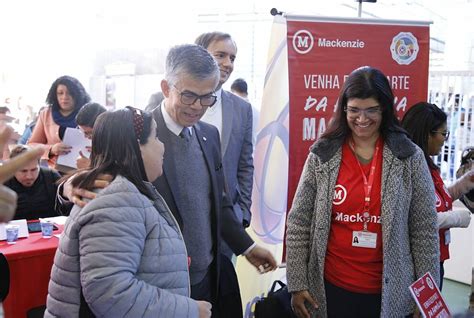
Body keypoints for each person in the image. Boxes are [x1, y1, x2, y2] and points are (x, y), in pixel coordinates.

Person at [61, 44, 277, 317]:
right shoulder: (139, 135)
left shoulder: (208, 135)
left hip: (207, 279)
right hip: (158, 290)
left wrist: (247, 246)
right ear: (166, 88)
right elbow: (100, 181)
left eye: (207, 97)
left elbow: (217, 203)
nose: (198, 106)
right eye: (189, 96)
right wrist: (71, 184)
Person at [286, 66, 440, 318]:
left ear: (385, 109)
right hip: (330, 289)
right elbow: (299, 222)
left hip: (390, 293)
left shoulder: (409, 157)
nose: (362, 118)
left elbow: (424, 231)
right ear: (344, 108)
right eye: (354, 110)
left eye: (371, 110)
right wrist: (298, 283)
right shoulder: (323, 154)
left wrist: (427, 296)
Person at [45, 107, 211, 318]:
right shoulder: (116, 199)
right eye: (156, 137)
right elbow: (111, 292)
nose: (162, 147)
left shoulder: (123, 192)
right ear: (135, 146)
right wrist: (189, 310)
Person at [195, 32, 254, 261]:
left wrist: (243, 213)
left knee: (225, 292)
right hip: (184, 223)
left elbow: (245, 164)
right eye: (220, 55)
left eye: (232, 58)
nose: (228, 64)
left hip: (227, 225)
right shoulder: (172, 102)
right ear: (199, 55)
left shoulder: (242, 108)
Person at [401, 102, 473, 290]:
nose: (444, 140)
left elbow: (435, 200)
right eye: (443, 134)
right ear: (427, 134)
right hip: (417, 263)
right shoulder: (407, 169)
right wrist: (455, 218)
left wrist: (465, 183)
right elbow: (412, 219)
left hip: (435, 258)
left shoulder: (429, 167)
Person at [28, 75, 91, 170]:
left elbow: (106, 142)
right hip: (54, 170)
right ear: (54, 95)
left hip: (86, 169)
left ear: (78, 95)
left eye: (70, 93)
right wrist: (51, 149)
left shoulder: (90, 112)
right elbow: (31, 145)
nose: (64, 97)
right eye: (60, 93)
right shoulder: (46, 114)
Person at [4, 145, 61, 220]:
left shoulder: (52, 177)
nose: (29, 176)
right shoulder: (3, 182)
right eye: (23, 171)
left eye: (34, 170)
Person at [75, 102, 107, 169]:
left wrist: (90, 167)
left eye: (89, 133)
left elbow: (118, 177)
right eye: (82, 132)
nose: (86, 137)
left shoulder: (119, 144)